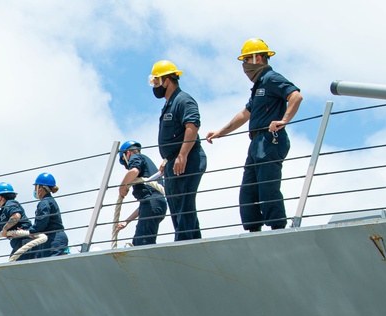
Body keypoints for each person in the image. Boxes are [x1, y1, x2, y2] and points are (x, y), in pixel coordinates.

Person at [205, 39, 303, 232]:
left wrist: (283, 120)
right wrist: (220, 132)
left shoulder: (272, 78)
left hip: (270, 139)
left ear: (258, 58)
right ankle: (254, 229)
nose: (244, 66)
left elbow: (295, 95)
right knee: (248, 192)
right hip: (256, 142)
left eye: (246, 60)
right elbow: (245, 114)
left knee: (268, 186)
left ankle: (277, 228)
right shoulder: (259, 86)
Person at [151, 60, 206, 241]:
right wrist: (168, 159)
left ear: (167, 80)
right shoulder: (170, 104)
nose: (155, 87)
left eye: (157, 82)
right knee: (177, 204)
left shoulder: (183, 100)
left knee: (184, 202)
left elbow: (192, 126)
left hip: (188, 158)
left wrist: (182, 155)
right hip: (173, 161)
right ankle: (192, 240)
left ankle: (184, 241)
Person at [115, 140, 168, 246]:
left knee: (141, 243)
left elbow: (134, 171)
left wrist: (122, 187)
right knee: (143, 240)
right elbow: (145, 205)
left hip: (152, 204)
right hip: (157, 205)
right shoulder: (149, 169)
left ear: (128, 153)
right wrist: (127, 221)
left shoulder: (136, 157)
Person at [29, 172, 68, 257]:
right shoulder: (50, 201)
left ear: (41, 188)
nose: (35, 191)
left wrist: (32, 231)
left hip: (53, 239)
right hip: (53, 239)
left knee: (52, 266)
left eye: (36, 187)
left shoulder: (44, 202)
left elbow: (42, 219)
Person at [0, 182, 32, 260]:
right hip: (19, 242)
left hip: (25, 240)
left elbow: (16, 216)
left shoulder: (10, 203)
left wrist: (5, 229)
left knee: (14, 266)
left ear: (0, 197)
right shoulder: (2, 213)